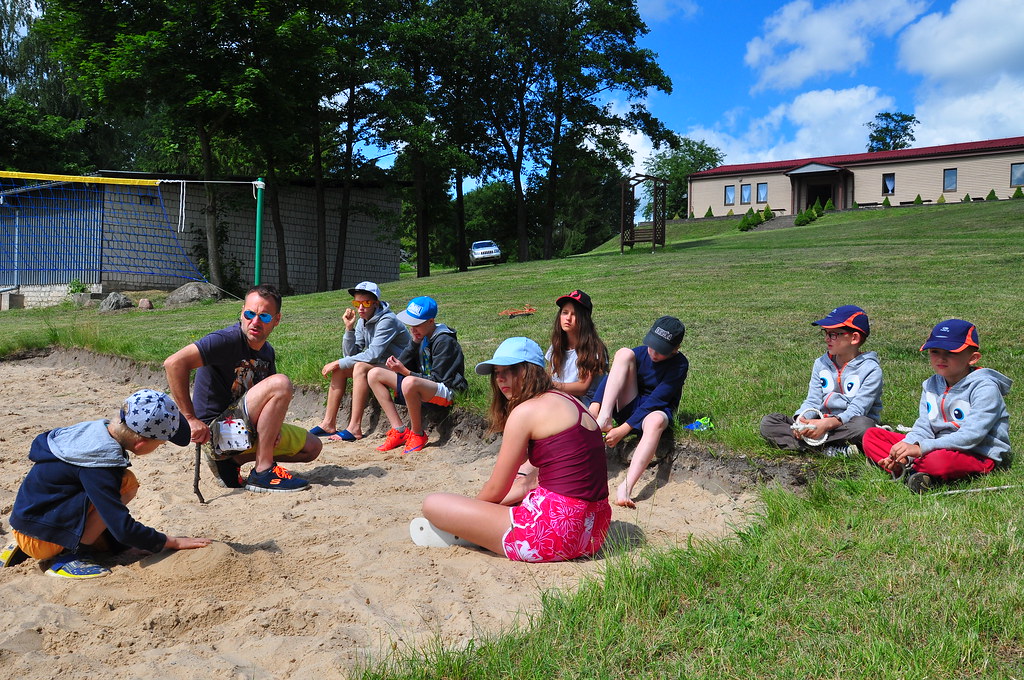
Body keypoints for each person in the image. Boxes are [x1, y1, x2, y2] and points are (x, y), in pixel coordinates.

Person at [413, 337, 611, 562]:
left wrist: (469, 515)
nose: (500, 378)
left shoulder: (526, 412)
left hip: (554, 534)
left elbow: (496, 488)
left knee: (433, 504)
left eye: (509, 370)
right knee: (524, 476)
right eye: (497, 372)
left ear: (530, 371)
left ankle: (470, 533)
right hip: (594, 532)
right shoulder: (571, 401)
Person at [1, 390, 212, 579]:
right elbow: (122, 528)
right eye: (161, 444)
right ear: (141, 443)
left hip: (26, 520)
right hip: (40, 539)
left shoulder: (94, 433)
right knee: (126, 484)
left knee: (119, 483)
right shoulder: (100, 465)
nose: (160, 446)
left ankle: (26, 544)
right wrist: (171, 542)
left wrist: (121, 546)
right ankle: (73, 556)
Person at [164, 284, 323, 493]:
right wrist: (190, 418)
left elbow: (267, 402)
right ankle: (263, 471)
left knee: (312, 447)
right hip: (215, 434)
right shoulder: (225, 340)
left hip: (244, 429)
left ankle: (231, 463)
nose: (255, 321)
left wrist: (273, 430)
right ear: (242, 313)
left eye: (264, 316)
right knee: (281, 383)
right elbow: (174, 364)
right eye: (250, 314)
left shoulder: (267, 352)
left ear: (276, 320)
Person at [862, 319, 1011, 493]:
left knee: (938, 461)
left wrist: (921, 448)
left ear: (973, 358)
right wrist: (907, 448)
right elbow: (924, 426)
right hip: (932, 446)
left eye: (950, 352)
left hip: (975, 452)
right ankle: (905, 465)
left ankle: (910, 469)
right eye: (934, 351)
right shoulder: (930, 385)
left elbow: (971, 436)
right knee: (871, 436)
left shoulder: (985, 388)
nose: (941, 358)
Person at [590, 316, 688, 508]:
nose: (654, 352)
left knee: (656, 420)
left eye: (662, 350)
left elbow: (657, 400)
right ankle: (605, 417)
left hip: (655, 411)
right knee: (624, 354)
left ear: (675, 349)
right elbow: (611, 378)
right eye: (652, 345)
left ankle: (626, 487)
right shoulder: (641, 353)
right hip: (629, 404)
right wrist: (596, 404)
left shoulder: (680, 365)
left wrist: (623, 430)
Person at [759, 305, 883, 456]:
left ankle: (814, 446)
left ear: (854, 338)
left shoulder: (871, 370)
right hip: (819, 421)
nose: (826, 339)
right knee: (769, 422)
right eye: (826, 333)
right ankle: (830, 449)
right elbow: (813, 400)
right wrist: (801, 420)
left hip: (847, 424)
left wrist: (827, 424)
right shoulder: (821, 363)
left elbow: (857, 410)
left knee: (865, 426)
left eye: (833, 334)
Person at [310, 281, 411, 441]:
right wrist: (349, 329)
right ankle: (328, 423)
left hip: (402, 369)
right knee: (340, 370)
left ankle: (354, 428)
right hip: (383, 365)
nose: (361, 308)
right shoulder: (362, 321)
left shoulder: (387, 320)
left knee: (359, 367)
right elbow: (350, 354)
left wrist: (338, 361)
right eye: (357, 303)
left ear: (376, 303)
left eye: (366, 303)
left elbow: (373, 355)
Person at [367, 296, 468, 454]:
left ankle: (418, 434)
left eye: (417, 325)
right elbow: (402, 363)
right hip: (424, 386)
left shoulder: (444, 341)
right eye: (410, 324)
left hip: (448, 391)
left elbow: (439, 379)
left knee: (409, 382)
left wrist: (406, 372)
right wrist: (414, 343)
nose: (413, 329)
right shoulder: (421, 336)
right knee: (374, 374)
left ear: (430, 321)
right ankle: (399, 430)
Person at [547, 289, 608, 406]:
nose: (568, 318)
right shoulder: (556, 346)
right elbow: (553, 375)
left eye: (574, 314)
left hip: (586, 405)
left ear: (584, 319)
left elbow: (583, 388)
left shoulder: (594, 348)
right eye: (565, 312)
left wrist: (549, 384)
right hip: (561, 398)